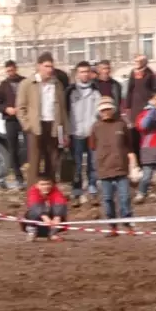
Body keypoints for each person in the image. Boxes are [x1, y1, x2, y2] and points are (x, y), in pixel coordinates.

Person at [17, 52, 68, 182]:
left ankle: (51, 196)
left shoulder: (57, 84)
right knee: (34, 163)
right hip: (36, 127)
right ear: (39, 66)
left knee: (52, 162)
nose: (49, 69)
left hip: (54, 127)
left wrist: (64, 134)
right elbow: (20, 108)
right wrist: (27, 126)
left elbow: (62, 111)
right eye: (46, 66)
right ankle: (33, 197)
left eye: (51, 66)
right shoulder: (27, 83)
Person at [89, 96, 135, 236]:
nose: (106, 112)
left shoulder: (121, 125)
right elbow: (92, 145)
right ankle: (112, 227)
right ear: (100, 112)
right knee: (107, 199)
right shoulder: (95, 127)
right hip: (104, 168)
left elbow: (129, 144)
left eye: (108, 109)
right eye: (103, 110)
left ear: (113, 109)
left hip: (121, 166)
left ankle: (128, 225)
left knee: (124, 197)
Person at [66, 60, 100, 203]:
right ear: (77, 74)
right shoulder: (70, 92)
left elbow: (99, 111)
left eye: (87, 71)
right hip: (76, 132)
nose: (84, 74)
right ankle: (76, 187)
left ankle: (92, 185)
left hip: (91, 132)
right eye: (81, 72)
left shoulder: (95, 91)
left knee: (92, 161)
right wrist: (66, 133)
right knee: (77, 163)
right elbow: (64, 112)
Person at [0, 59, 26, 189]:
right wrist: (6, 109)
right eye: (8, 71)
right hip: (10, 120)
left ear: (16, 69)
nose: (10, 72)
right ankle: (18, 177)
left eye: (12, 70)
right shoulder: (3, 85)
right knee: (13, 148)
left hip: (24, 118)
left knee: (30, 146)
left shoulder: (24, 81)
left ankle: (30, 175)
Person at [124, 54, 156, 162]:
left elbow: (155, 89)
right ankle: (138, 160)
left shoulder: (149, 73)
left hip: (146, 107)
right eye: (136, 61)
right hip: (135, 107)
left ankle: (149, 159)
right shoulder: (133, 73)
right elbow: (129, 90)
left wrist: (153, 103)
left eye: (139, 61)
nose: (137, 63)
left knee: (147, 133)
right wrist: (127, 106)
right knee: (136, 134)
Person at [22, 174, 68, 242]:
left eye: (48, 184)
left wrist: (57, 217)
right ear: (37, 185)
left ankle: (53, 234)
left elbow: (60, 202)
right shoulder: (33, 192)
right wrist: (45, 217)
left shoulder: (56, 191)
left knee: (61, 211)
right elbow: (35, 205)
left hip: (52, 223)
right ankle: (32, 233)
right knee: (32, 212)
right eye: (42, 184)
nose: (46, 187)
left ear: (52, 184)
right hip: (38, 221)